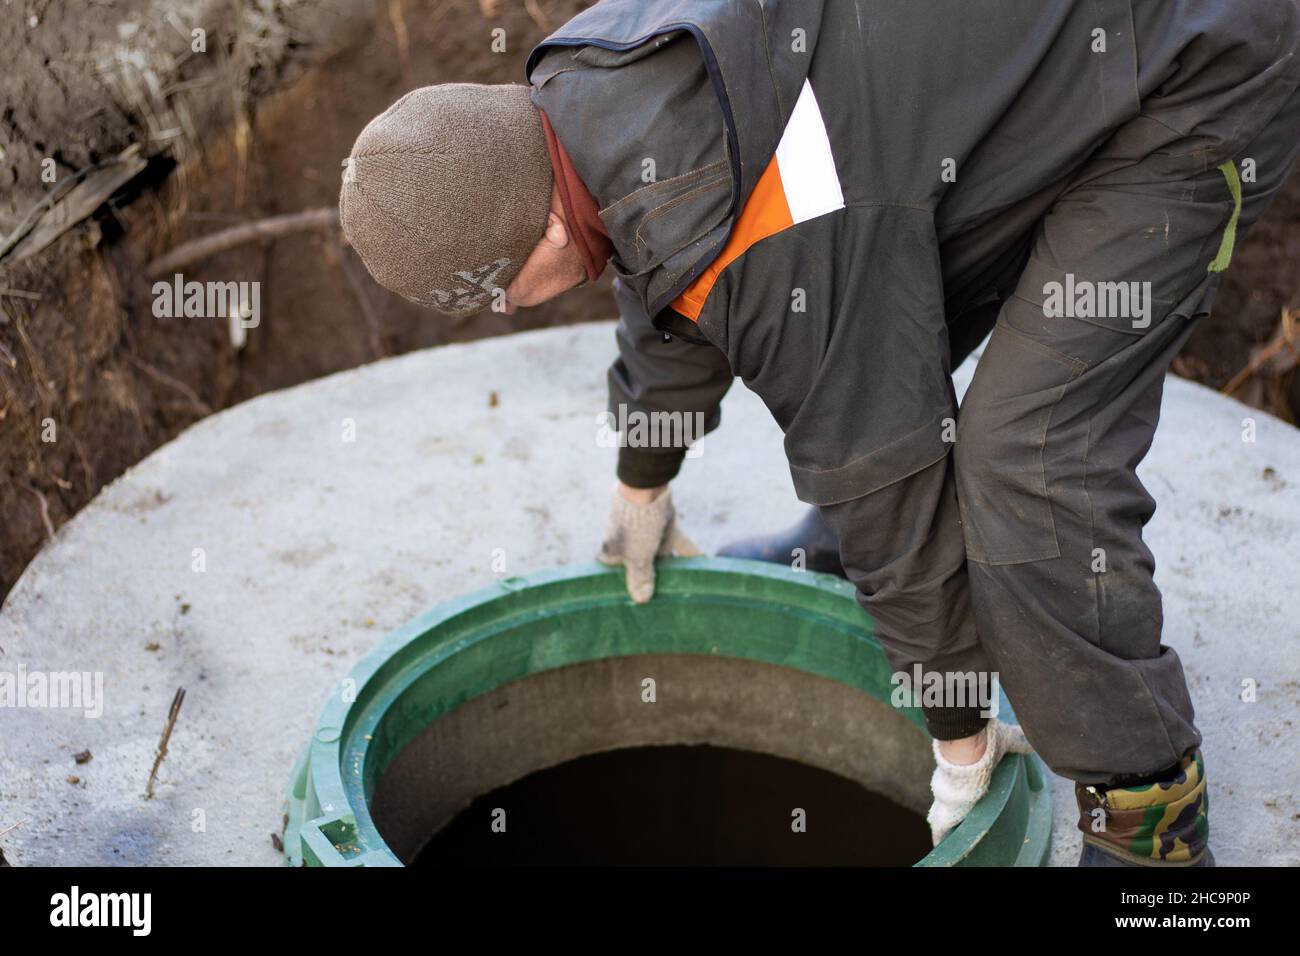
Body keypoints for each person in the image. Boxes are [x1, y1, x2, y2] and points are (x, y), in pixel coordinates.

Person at [337, 0, 1300, 866]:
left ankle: (1149, 825)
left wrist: (957, 741)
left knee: (1028, 458)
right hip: (1021, 65)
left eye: (498, 290)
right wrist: (643, 485)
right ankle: (841, 554)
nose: (507, 309)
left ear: (546, 229)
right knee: (884, 329)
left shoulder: (763, 230)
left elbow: (882, 470)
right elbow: (660, 272)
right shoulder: (590, 80)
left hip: (1192, 71)